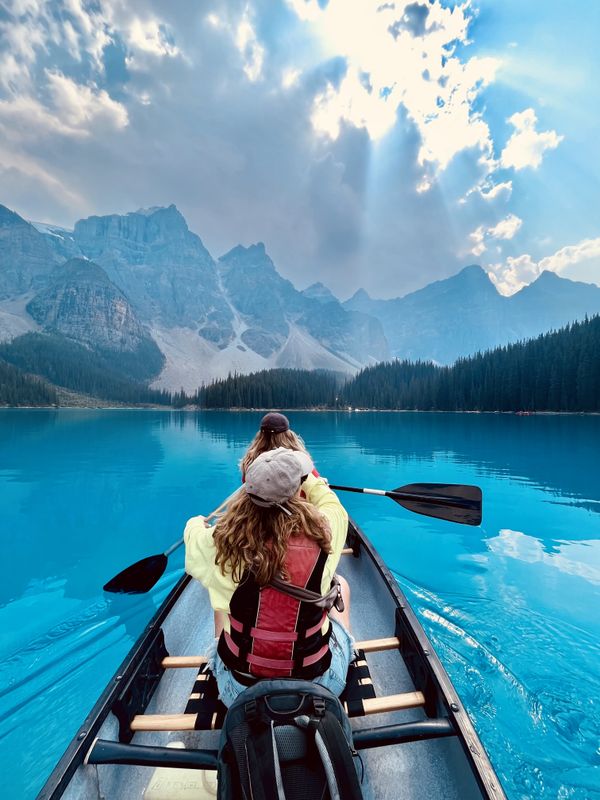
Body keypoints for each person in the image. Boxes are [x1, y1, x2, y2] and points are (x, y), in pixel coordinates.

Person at [184, 447, 353, 707]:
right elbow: (331, 503)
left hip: (239, 692)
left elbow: (192, 536)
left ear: (247, 493)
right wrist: (309, 480)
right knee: (340, 584)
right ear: (299, 492)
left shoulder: (218, 543)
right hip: (320, 684)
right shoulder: (327, 529)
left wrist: (195, 523)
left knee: (218, 595)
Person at [240, 411, 316, 480]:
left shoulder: (250, 462)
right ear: (288, 435)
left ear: (260, 436)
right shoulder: (299, 461)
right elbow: (315, 479)